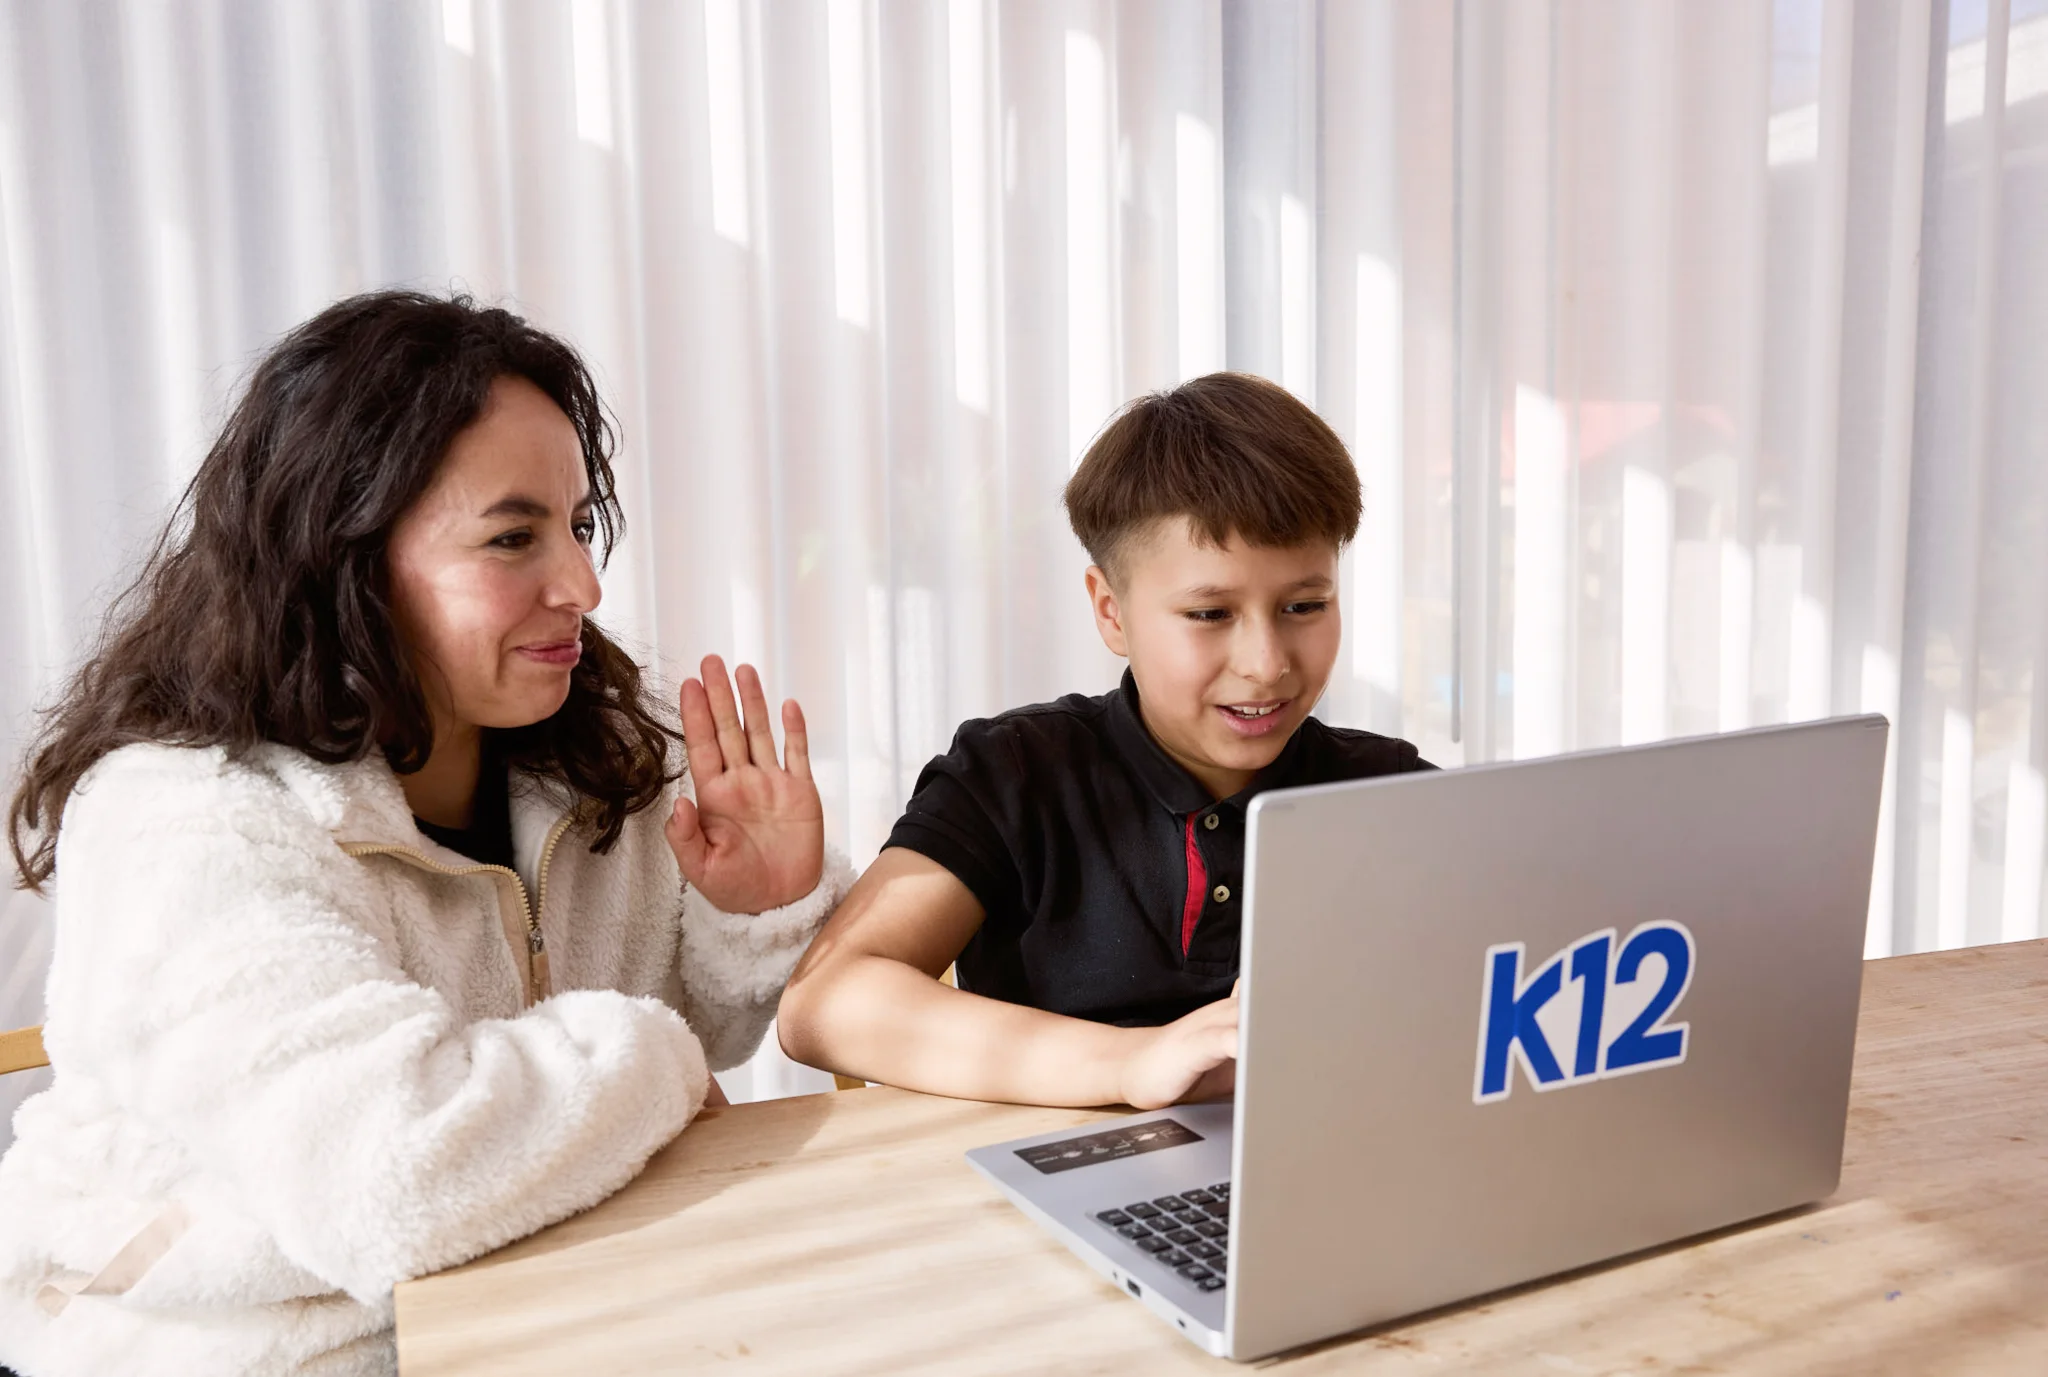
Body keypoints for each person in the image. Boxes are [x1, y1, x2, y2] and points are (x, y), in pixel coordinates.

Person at [0, 291, 849, 1377]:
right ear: (342, 557)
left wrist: (752, 915)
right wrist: (660, 1066)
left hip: (535, 1292)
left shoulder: (602, 749)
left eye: (580, 524)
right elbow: (388, 1179)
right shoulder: (184, 816)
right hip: (240, 1345)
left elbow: (695, 1025)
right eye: (513, 537)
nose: (583, 586)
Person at [777, 372, 1431, 1108]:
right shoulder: (1016, 773)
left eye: (1305, 604)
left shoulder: (1393, 793)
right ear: (1111, 611)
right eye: (1211, 613)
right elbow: (822, 1004)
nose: (1267, 662)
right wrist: (1135, 1062)